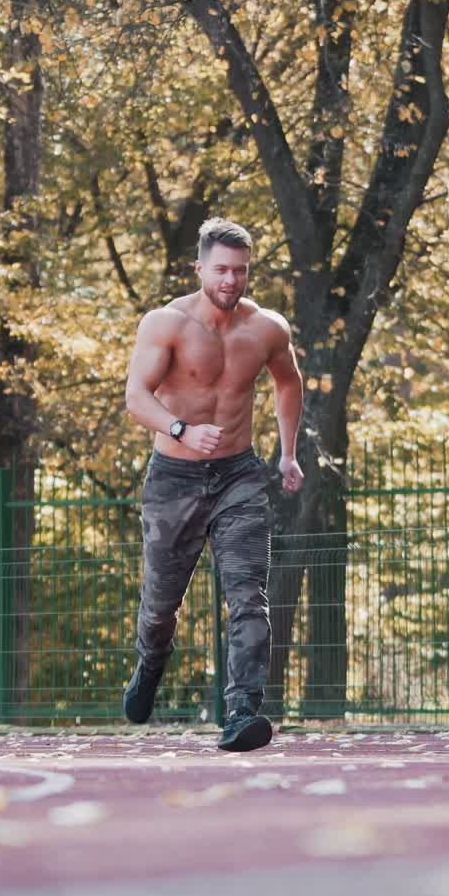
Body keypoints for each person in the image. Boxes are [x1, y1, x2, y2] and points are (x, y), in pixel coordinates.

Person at [122, 218, 304, 751]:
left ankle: (242, 712)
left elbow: (288, 383)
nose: (230, 279)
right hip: (174, 479)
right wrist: (180, 428)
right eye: (221, 269)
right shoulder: (167, 323)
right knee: (160, 605)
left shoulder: (268, 328)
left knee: (249, 597)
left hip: (239, 475)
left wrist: (287, 453)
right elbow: (137, 396)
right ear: (199, 267)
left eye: (240, 271)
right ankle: (151, 661)